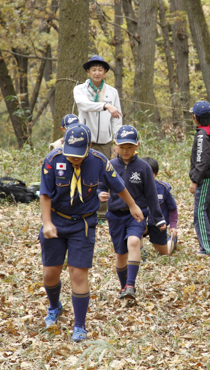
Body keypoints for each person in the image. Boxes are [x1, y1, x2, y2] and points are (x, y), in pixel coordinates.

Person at [38, 123, 143, 342]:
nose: (74, 159)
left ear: (90, 147)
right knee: (50, 273)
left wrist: (133, 206)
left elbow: (119, 185)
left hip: (82, 225)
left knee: (78, 273)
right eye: (70, 154)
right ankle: (55, 306)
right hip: (56, 221)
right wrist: (47, 223)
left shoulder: (99, 161)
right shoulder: (52, 160)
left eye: (78, 155)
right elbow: (46, 194)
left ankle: (79, 325)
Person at [99, 126, 166, 300]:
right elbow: (100, 185)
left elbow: (152, 195)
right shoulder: (110, 166)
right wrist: (101, 194)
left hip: (137, 215)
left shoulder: (143, 168)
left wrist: (158, 219)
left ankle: (131, 284)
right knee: (120, 255)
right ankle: (124, 287)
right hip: (115, 215)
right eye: (122, 147)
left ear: (137, 146)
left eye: (129, 147)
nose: (125, 150)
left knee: (134, 242)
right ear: (115, 146)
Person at [74, 55, 123, 224]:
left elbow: (117, 118)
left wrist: (117, 141)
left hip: (105, 141)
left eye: (100, 70)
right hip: (84, 141)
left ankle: (102, 213)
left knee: (105, 175)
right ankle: (84, 209)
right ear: (88, 71)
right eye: (93, 69)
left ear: (105, 73)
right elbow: (83, 105)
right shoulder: (80, 89)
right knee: (83, 173)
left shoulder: (112, 92)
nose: (96, 73)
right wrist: (105, 106)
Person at [188, 101, 210, 256]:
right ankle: (207, 246)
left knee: (200, 213)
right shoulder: (209, 130)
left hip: (206, 178)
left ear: (195, 118)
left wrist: (195, 181)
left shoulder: (203, 136)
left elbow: (203, 160)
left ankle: (208, 249)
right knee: (204, 211)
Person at [142, 157, 178, 258]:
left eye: (150, 175)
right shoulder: (135, 187)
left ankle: (172, 240)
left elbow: (173, 208)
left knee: (164, 254)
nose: (146, 178)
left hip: (158, 225)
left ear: (156, 174)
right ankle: (140, 250)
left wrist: (173, 226)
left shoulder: (163, 189)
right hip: (141, 222)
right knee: (134, 232)